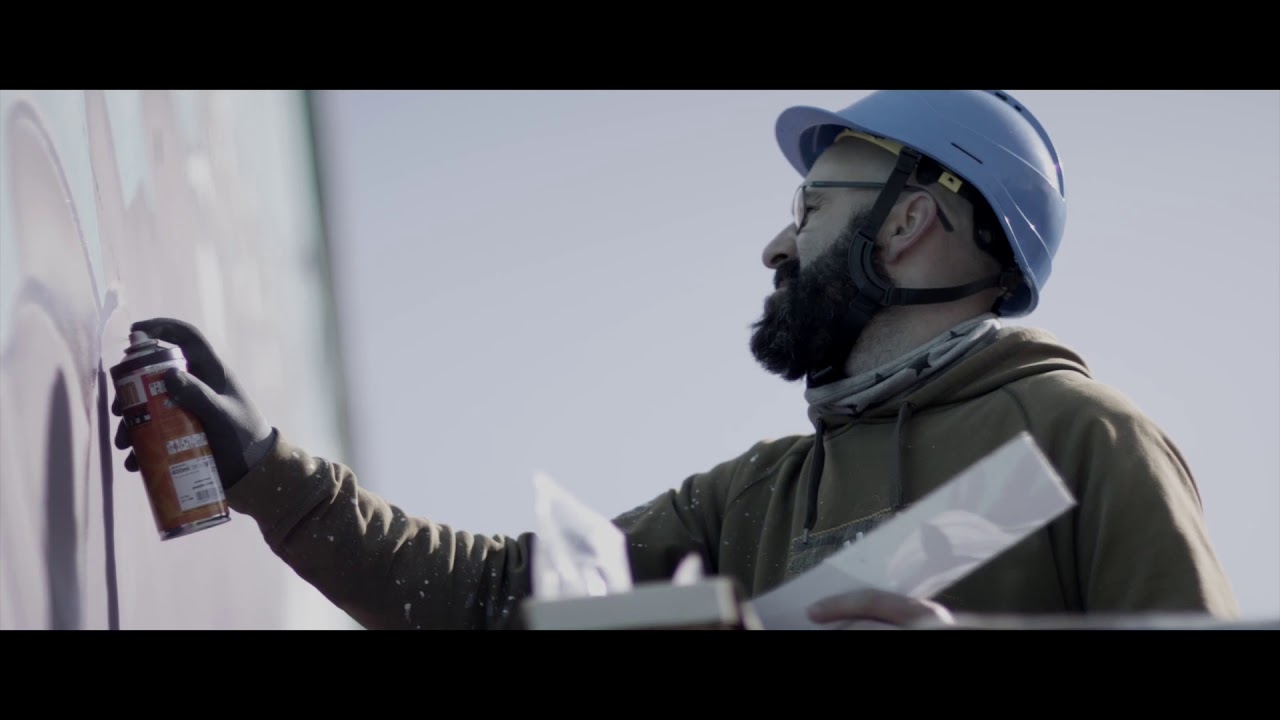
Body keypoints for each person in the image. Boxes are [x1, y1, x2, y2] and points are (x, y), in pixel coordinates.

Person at [112, 90, 1241, 630]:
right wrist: (263, 464)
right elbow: (493, 605)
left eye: (810, 204)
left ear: (907, 225)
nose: (774, 242)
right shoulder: (753, 496)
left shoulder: (1079, 439)